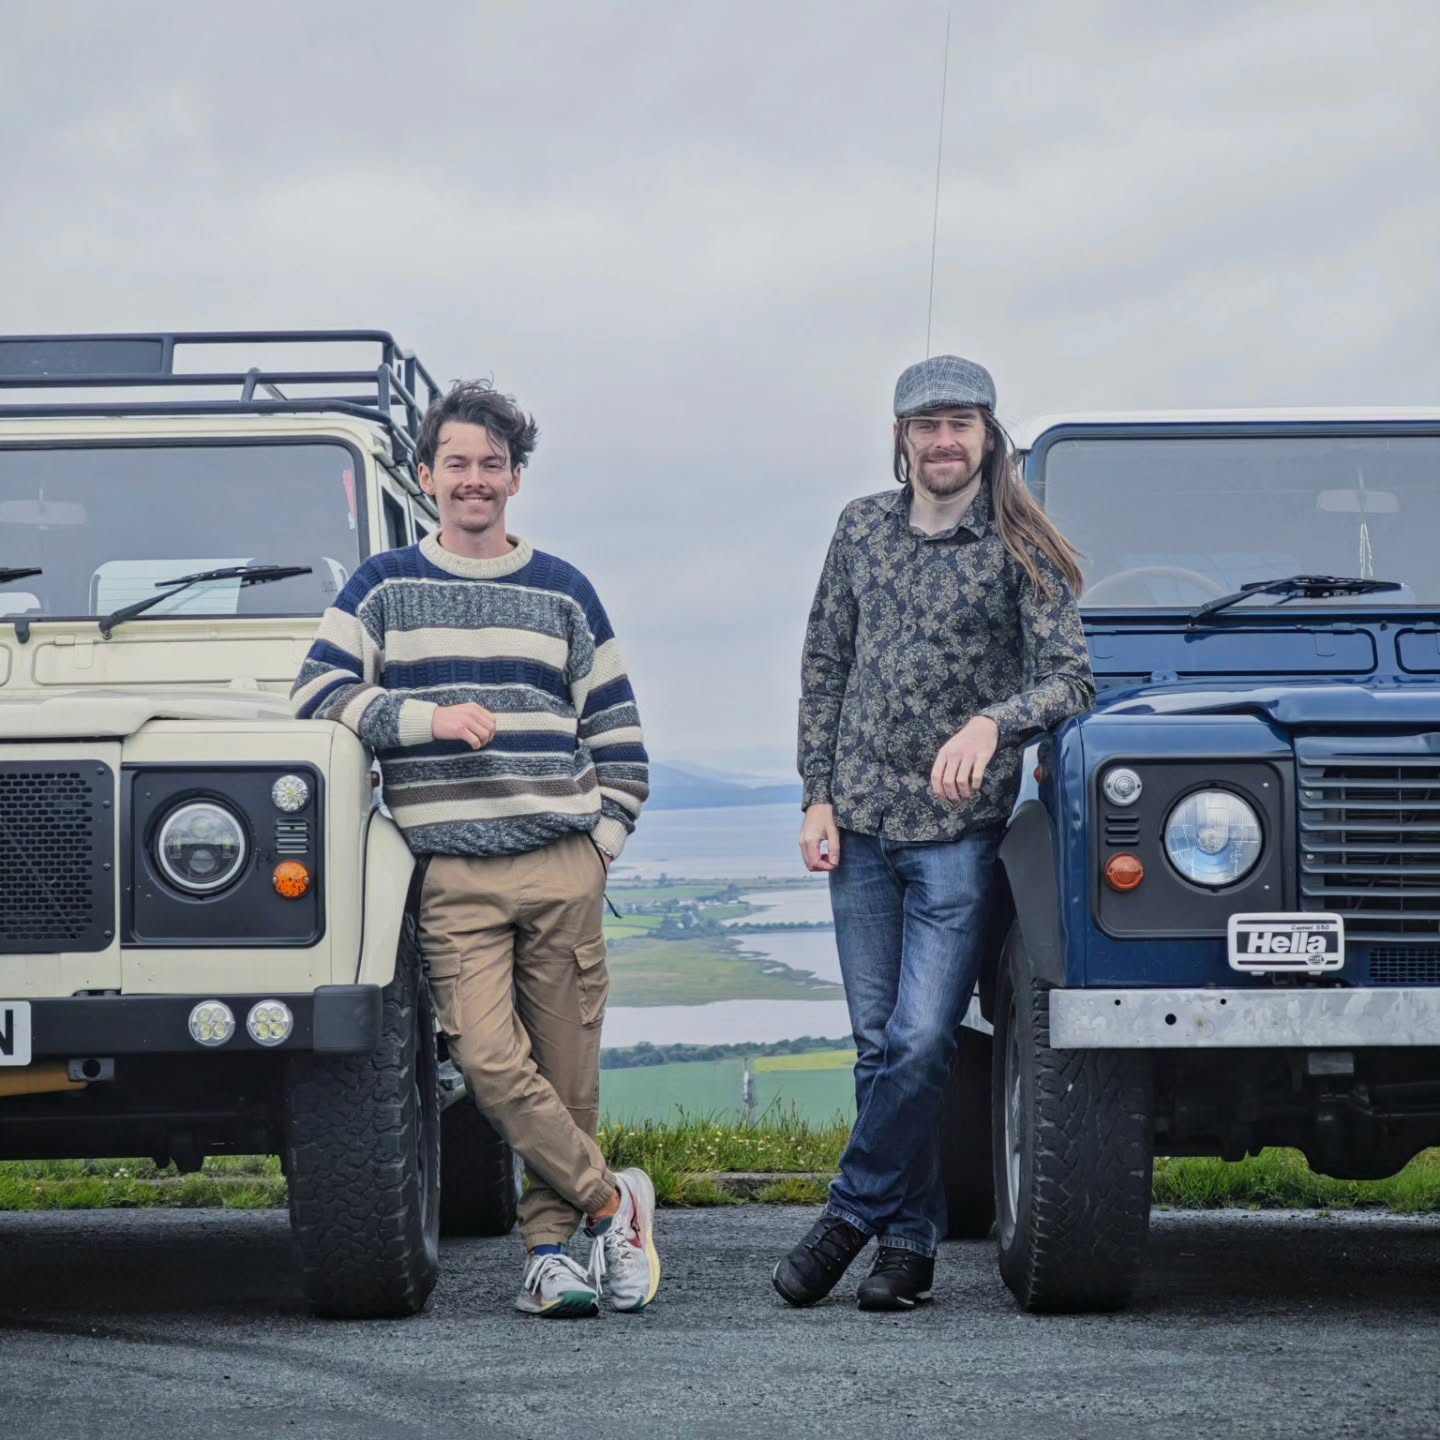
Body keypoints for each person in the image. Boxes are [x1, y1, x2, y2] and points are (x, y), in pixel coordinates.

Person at [292, 380, 657, 1318]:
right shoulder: (381, 587)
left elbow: (620, 741)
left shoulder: (565, 590)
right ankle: (616, 1204)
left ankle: (549, 1259)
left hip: (563, 861)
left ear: (515, 479)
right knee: (491, 1065)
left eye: (492, 464)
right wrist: (421, 717)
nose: (475, 480)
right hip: (451, 873)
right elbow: (315, 697)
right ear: (426, 476)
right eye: (456, 463)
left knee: (569, 1080)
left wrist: (601, 844)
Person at [774, 355, 1094, 1311]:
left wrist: (993, 721)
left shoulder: (1022, 544)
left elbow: (1073, 680)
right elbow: (824, 662)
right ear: (902, 437)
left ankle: (847, 1212)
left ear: (990, 434)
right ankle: (907, 1246)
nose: (943, 440)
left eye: (961, 423)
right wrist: (815, 795)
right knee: (877, 1044)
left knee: (921, 1039)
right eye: (927, 424)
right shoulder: (860, 529)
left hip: (959, 833)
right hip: (860, 826)